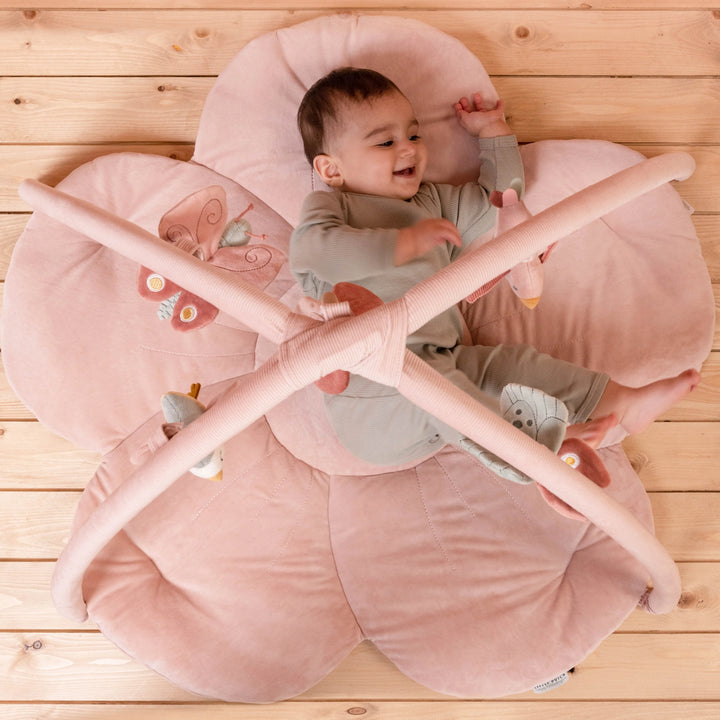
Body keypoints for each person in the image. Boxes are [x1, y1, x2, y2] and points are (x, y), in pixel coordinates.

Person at [289, 66, 699, 477]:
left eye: (414, 135)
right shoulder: (331, 210)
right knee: (445, 390)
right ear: (331, 170)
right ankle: (545, 456)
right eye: (385, 141)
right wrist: (401, 245)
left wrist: (493, 131)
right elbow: (317, 253)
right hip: (371, 398)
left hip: (443, 361)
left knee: (510, 367)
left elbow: (501, 201)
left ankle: (620, 401)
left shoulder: (429, 204)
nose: (409, 148)